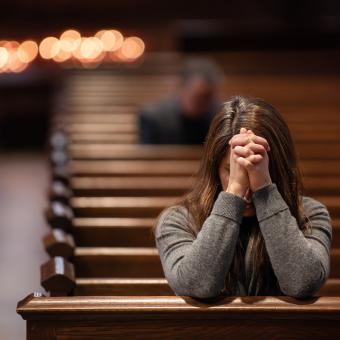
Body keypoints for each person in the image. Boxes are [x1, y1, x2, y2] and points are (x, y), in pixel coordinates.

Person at [153, 95, 332, 298]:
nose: (246, 183)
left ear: (279, 169)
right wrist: (234, 190)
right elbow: (196, 285)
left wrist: (264, 188)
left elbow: (303, 283)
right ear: (215, 170)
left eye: (259, 168)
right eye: (232, 170)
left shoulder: (310, 214)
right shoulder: (178, 220)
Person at [138, 58, 223, 144]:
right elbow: (146, 156)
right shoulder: (153, 118)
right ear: (181, 88)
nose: (204, 103)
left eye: (209, 98)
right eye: (199, 97)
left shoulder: (222, 118)